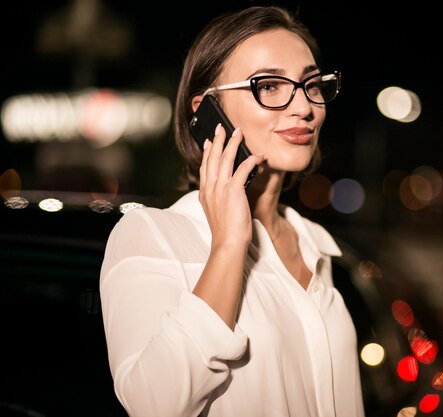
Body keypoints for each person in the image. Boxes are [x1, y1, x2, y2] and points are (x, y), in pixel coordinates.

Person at [99, 5, 365, 417]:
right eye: (270, 85)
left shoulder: (315, 245)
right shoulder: (154, 235)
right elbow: (151, 405)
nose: (304, 108)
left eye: (312, 84)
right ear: (206, 111)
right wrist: (227, 245)